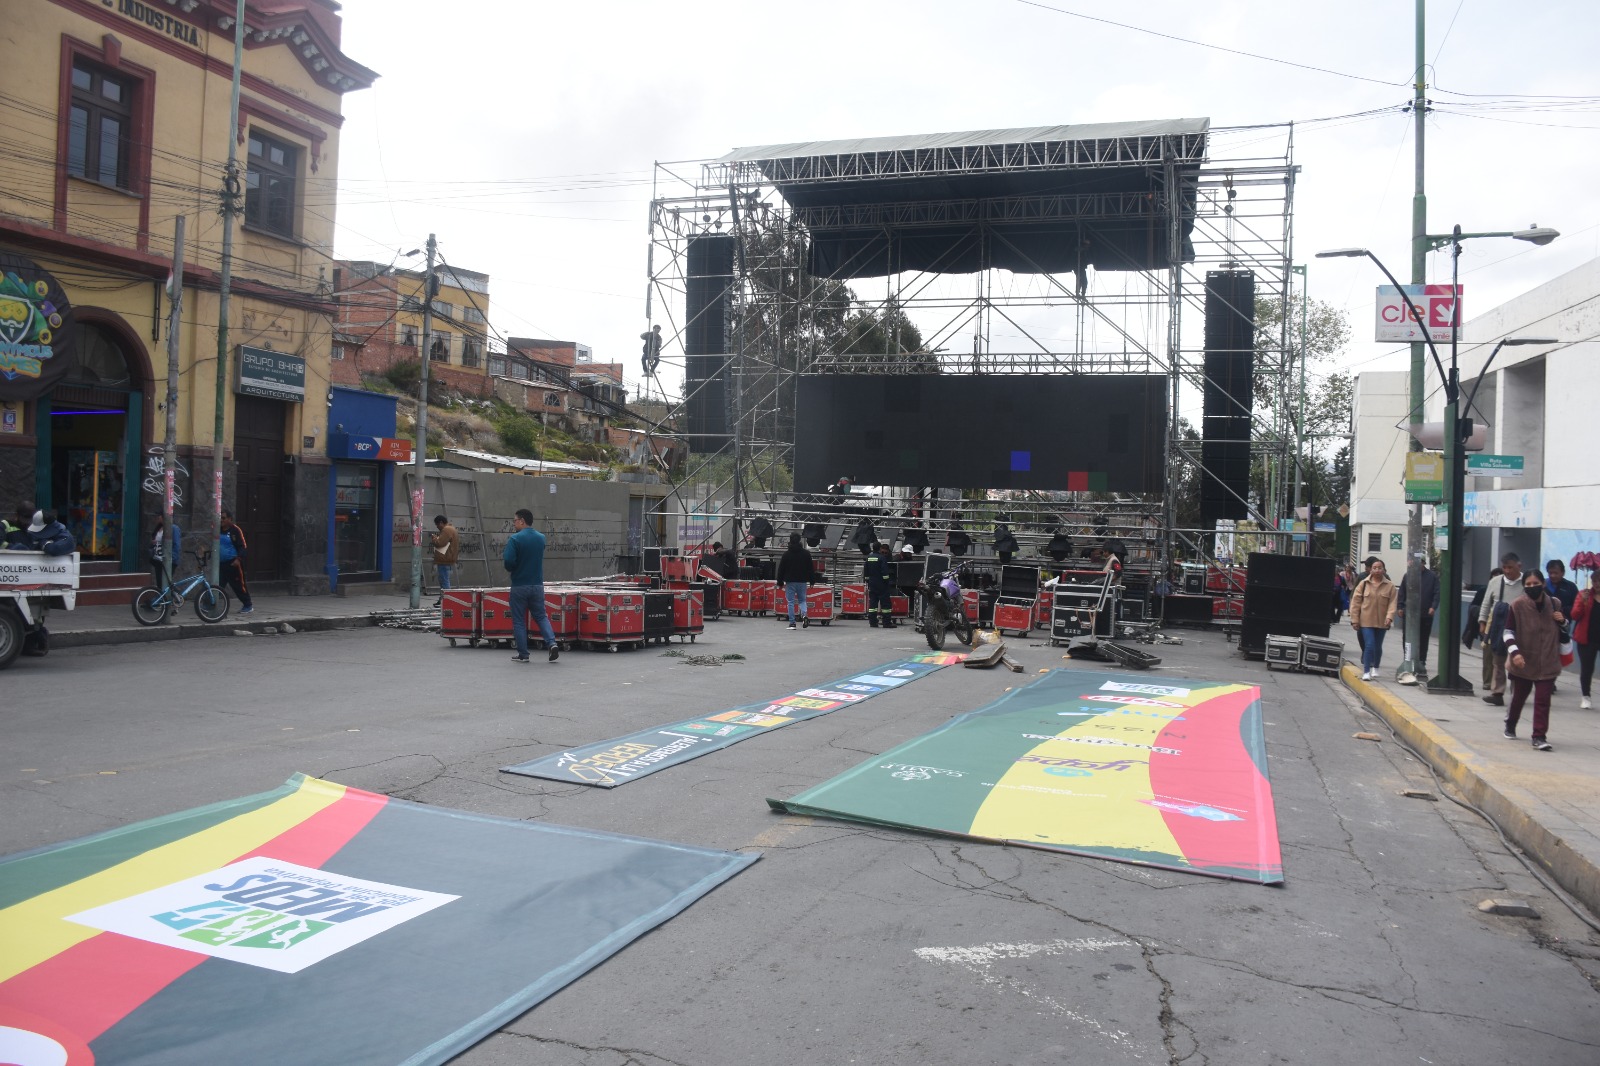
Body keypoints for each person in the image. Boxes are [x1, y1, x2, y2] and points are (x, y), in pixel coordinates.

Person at [1501, 568, 1564, 750]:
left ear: (1543, 584)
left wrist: (1562, 621)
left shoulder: (1554, 603)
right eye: (1528, 584)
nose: (1532, 587)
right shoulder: (1517, 605)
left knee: (1543, 699)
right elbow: (1508, 632)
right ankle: (1510, 724)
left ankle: (1539, 736)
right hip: (1524, 661)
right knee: (1519, 697)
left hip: (1548, 661)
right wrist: (1516, 653)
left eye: (1536, 583)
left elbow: (1564, 630)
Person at [504, 507, 559, 663]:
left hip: (520, 585)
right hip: (537, 585)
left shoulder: (515, 539)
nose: (514, 524)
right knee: (541, 616)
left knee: (519, 620)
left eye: (515, 521)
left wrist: (513, 568)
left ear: (522, 521)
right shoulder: (541, 538)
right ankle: (552, 643)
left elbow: (508, 561)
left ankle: (523, 654)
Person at [1479, 553, 1524, 706]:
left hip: (1519, 628)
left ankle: (1517, 693)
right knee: (1497, 661)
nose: (1507, 571)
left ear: (1519, 566)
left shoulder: (1526, 582)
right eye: (1504, 567)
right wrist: (1483, 622)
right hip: (1498, 627)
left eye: (1510, 567)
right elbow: (1486, 603)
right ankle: (1497, 693)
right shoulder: (1495, 582)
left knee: (1515, 662)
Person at [1349, 557, 1397, 681]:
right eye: (1374, 568)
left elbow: (1392, 603)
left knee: (1377, 646)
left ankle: (1376, 667)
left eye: (1379, 568)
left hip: (1382, 622)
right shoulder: (1363, 584)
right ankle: (1366, 671)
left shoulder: (1390, 586)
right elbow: (1355, 602)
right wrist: (1355, 620)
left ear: (1384, 570)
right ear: (1371, 570)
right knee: (1369, 645)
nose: (1377, 570)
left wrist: (1389, 617)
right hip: (1366, 621)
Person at [1395, 559, 1441, 675]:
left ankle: (1422, 660)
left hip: (1425, 613)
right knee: (1407, 638)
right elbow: (1402, 592)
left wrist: (1433, 606)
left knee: (1423, 638)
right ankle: (1408, 657)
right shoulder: (1408, 576)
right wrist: (1400, 607)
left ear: (1423, 563)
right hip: (1409, 613)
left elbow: (1437, 593)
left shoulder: (1432, 576)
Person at [1572, 569, 1598, 711]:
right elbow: (1575, 615)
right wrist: (1583, 602)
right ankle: (1586, 696)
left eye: (1599, 581)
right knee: (1587, 668)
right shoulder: (1584, 595)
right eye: (1595, 581)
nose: (1597, 584)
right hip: (1587, 638)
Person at [776, 531, 814, 630]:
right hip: (802, 581)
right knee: (802, 600)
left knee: (791, 602)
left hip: (790, 581)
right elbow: (810, 568)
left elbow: (781, 569)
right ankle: (804, 615)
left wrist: (779, 582)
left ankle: (792, 623)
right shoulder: (806, 554)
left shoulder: (786, 554)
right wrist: (812, 581)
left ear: (790, 540)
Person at [218, 509, 253, 614]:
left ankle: (248, 605)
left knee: (238, 585)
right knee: (217, 585)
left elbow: (243, 546)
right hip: (221, 563)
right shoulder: (217, 530)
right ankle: (208, 604)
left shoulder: (235, 530)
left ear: (230, 519)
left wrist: (238, 559)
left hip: (233, 563)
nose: (221, 520)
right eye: (220, 518)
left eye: (223, 518)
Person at [863, 540, 895, 628]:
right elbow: (885, 573)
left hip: (872, 584)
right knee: (886, 605)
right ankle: (886, 623)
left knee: (873, 604)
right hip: (882, 584)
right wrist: (887, 582)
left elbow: (865, 571)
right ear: (880, 548)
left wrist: (868, 581)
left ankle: (873, 622)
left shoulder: (869, 557)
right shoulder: (882, 558)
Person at [431, 515, 460, 607]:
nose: (437, 527)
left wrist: (435, 539)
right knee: (444, 579)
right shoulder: (452, 529)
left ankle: (447, 600)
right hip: (448, 558)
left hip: (445, 559)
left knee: (444, 580)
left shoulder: (446, 530)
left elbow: (440, 543)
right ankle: (443, 599)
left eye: (437, 525)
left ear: (441, 522)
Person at [149, 519, 182, 588]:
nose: (157, 517)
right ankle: (163, 597)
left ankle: (168, 597)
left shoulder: (173, 528)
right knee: (160, 582)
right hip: (158, 558)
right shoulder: (159, 528)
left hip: (167, 559)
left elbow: (176, 545)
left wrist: (171, 559)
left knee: (165, 582)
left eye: (159, 515)